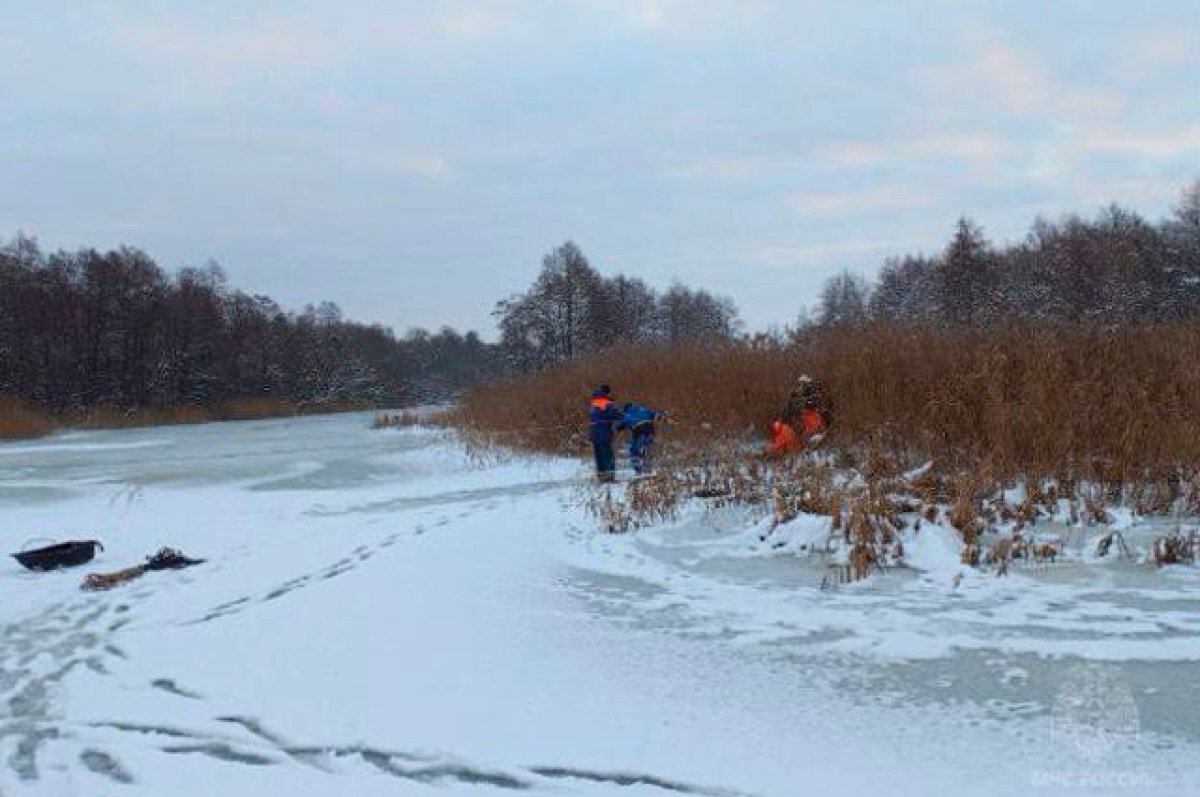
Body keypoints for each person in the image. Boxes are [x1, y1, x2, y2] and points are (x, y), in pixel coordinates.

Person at [588, 384, 623, 483]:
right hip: (604, 432)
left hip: (594, 432)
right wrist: (622, 418)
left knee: (599, 455)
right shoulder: (607, 403)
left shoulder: (593, 402)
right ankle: (610, 477)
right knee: (607, 455)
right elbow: (616, 415)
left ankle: (601, 477)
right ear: (607, 392)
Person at [621, 402, 666, 474]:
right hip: (650, 431)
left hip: (639, 432)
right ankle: (647, 466)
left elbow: (622, 425)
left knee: (634, 450)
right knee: (647, 447)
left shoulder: (627, 414)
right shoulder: (644, 410)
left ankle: (637, 469)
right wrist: (664, 414)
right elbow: (657, 415)